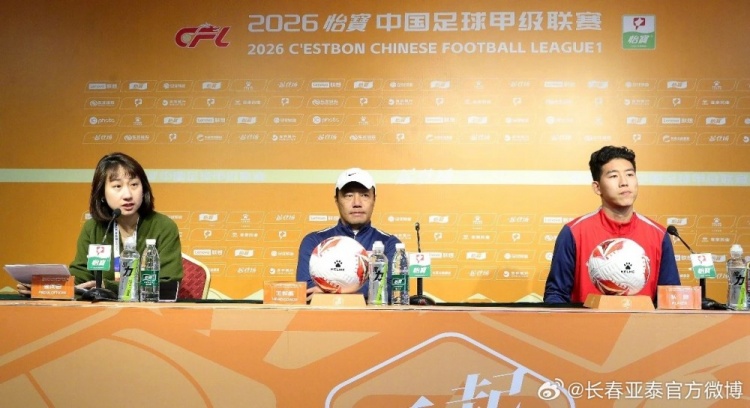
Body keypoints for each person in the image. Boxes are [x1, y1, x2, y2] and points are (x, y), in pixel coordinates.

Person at [17, 152, 183, 297]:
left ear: (144, 188)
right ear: (102, 193)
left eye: (134, 185)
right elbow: (81, 276)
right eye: (117, 186)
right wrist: (45, 287)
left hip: (147, 313)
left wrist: (107, 286)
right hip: (101, 313)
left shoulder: (163, 227)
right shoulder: (94, 228)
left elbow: (168, 286)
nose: (127, 194)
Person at [544, 146, 681, 304]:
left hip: (640, 320)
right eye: (614, 176)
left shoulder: (659, 235)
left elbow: (671, 298)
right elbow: (556, 295)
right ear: (597, 187)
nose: (624, 183)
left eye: (630, 174)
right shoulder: (574, 232)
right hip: (587, 320)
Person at [296, 168, 401, 299]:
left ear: (374, 199)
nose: (357, 203)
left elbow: (391, 288)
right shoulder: (314, 241)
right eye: (349, 195)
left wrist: (330, 292)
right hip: (325, 313)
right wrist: (368, 289)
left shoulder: (390, 244)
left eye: (364, 195)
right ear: (336, 200)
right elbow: (307, 289)